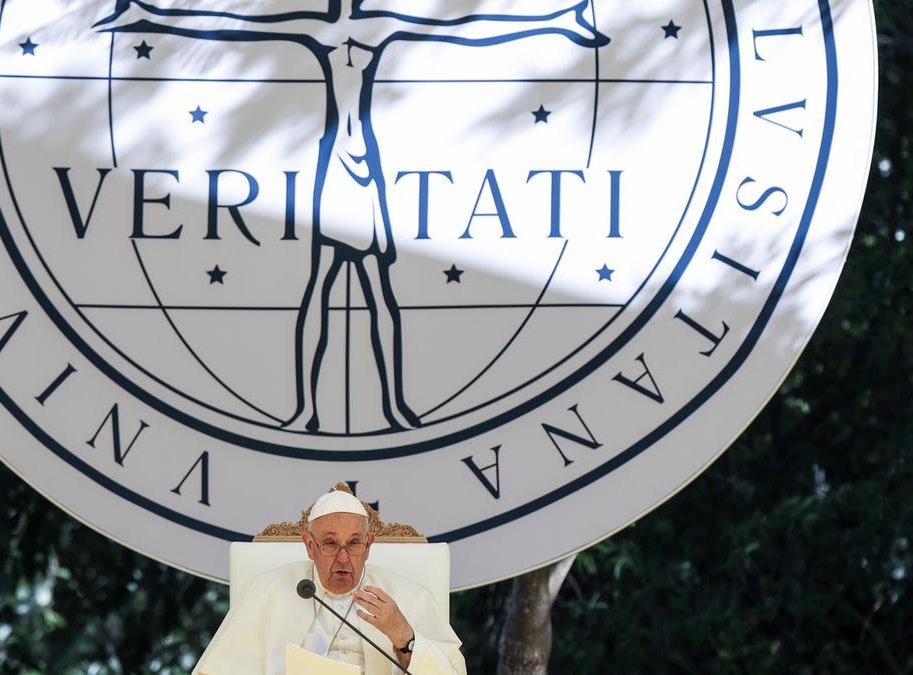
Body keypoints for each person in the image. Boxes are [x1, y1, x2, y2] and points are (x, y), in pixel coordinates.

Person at [96, 1, 609, 433]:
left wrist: (556, 19)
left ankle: (391, 407)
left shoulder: (369, 26)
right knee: (322, 288)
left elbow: (466, 29)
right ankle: (309, 411)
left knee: (373, 294)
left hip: (365, 171)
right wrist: (146, 13)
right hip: (334, 171)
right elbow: (230, 24)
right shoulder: (324, 25)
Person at [192, 489, 466, 674]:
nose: (344, 559)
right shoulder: (269, 590)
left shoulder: (410, 595)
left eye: (355, 543)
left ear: (369, 545)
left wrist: (404, 636)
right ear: (309, 546)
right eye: (330, 544)